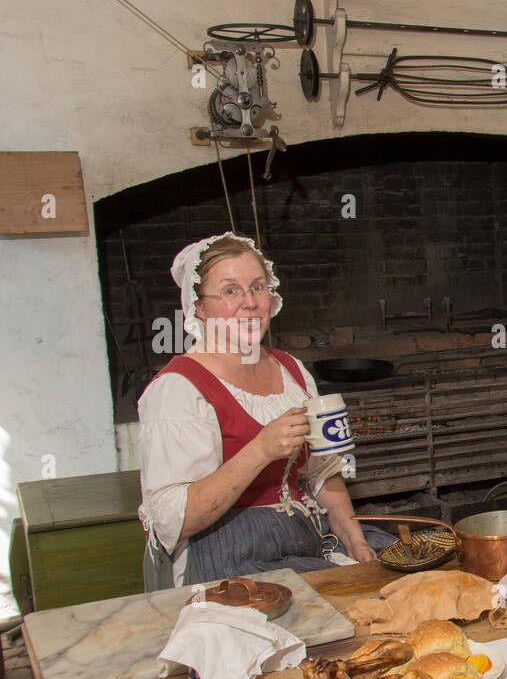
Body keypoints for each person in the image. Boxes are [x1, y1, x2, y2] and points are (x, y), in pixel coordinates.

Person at [137, 232, 393, 589]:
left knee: (405, 570)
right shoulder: (179, 389)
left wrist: (352, 536)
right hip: (230, 553)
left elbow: (321, 471)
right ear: (198, 306)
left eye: (257, 287)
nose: (249, 303)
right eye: (230, 291)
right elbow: (171, 521)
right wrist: (260, 450)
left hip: (305, 533)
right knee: (350, 602)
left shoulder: (291, 371)